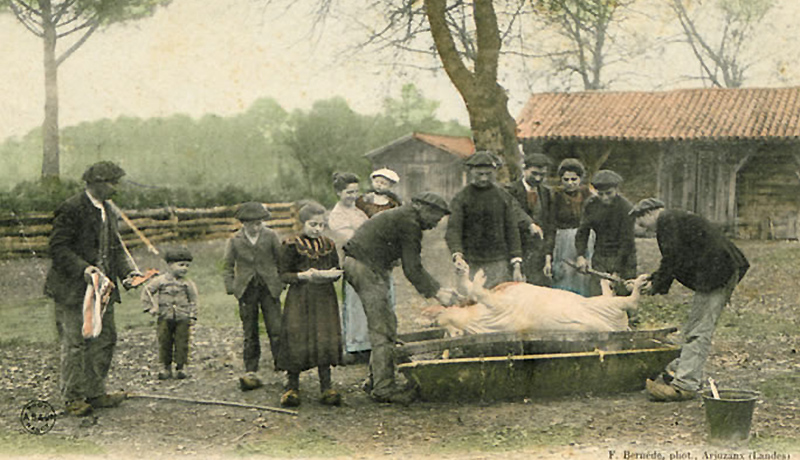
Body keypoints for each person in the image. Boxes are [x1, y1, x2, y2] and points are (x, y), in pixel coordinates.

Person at [44, 161, 140, 416]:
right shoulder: (71, 208)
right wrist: (84, 269)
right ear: (95, 182)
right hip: (73, 289)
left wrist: (129, 273)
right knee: (75, 343)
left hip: (103, 290)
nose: (116, 188)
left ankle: (96, 393)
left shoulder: (108, 209)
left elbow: (115, 248)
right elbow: (58, 248)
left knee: (105, 339)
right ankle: (73, 398)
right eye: (112, 183)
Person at [630, 198, 750, 401]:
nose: (644, 229)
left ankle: (685, 385)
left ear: (649, 213)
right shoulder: (675, 218)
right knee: (696, 326)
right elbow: (679, 258)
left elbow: (672, 258)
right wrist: (654, 279)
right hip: (718, 270)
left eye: (642, 223)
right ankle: (679, 370)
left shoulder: (667, 221)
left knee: (700, 329)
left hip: (717, 273)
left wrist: (656, 285)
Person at [343, 192, 458, 404]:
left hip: (364, 264)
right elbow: (412, 268)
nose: (435, 224)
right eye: (435, 217)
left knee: (386, 324)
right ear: (422, 208)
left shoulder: (404, 216)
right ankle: (383, 388)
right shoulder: (409, 222)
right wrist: (438, 292)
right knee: (383, 328)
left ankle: (375, 380)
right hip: (364, 267)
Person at [276, 202, 344, 407]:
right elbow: (283, 275)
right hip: (300, 298)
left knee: (324, 336)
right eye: (313, 224)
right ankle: (292, 387)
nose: (317, 229)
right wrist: (301, 275)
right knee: (297, 337)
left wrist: (332, 274)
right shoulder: (290, 244)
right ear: (302, 222)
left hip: (324, 298)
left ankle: (327, 387)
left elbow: (336, 269)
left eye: (321, 225)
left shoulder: (329, 245)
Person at [223, 201, 284, 391]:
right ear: (243, 223)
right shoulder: (234, 240)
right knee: (250, 330)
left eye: (259, 223)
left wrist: (281, 282)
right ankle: (251, 369)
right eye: (251, 223)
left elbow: (282, 260)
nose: (256, 227)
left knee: (276, 328)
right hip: (246, 289)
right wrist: (231, 287)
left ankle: (282, 366)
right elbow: (227, 266)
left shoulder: (271, 236)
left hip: (269, 287)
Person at [445, 151, 524, 289]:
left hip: (498, 261)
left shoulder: (504, 197)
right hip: (470, 261)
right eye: (479, 174)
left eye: (488, 174)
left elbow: (512, 229)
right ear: (471, 172)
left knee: (497, 301)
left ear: (494, 172)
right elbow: (453, 229)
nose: (483, 178)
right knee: (471, 303)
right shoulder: (461, 198)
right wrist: (457, 255)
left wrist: (516, 263)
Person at [327, 172, 371, 364]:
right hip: (351, 260)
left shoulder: (359, 212)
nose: (353, 196)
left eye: (355, 191)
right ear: (338, 192)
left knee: (368, 302)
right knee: (354, 304)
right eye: (348, 192)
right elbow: (349, 239)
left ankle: (367, 344)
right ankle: (353, 346)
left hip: (368, 260)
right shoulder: (336, 215)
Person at [574, 170, 637, 298]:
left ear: (616, 189)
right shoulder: (591, 205)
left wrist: (617, 270)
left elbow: (627, 242)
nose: (604, 198)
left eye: (609, 193)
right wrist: (580, 255)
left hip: (624, 256)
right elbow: (583, 231)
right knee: (598, 297)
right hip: (600, 255)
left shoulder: (626, 208)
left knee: (622, 299)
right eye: (600, 194)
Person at [141, 247, 198, 380]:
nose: (185, 268)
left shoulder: (187, 283)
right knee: (165, 341)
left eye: (187, 266)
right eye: (181, 265)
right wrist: (150, 308)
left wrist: (193, 315)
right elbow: (146, 292)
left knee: (182, 342)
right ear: (170, 265)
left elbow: (194, 299)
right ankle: (165, 367)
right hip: (164, 317)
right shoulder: (160, 281)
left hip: (183, 317)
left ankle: (181, 367)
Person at [505, 151, 555, 286]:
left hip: (538, 256)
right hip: (516, 252)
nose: (538, 178)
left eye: (542, 175)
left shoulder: (546, 193)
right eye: (534, 173)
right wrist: (529, 224)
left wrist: (548, 256)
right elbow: (513, 211)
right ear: (524, 169)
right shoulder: (510, 191)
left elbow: (550, 226)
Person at [549, 158, 595, 296]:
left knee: (583, 273)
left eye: (574, 179)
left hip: (586, 238)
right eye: (566, 179)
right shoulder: (556, 197)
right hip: (563, 240)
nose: (570, 183)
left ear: (580, 179)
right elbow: (551, 223)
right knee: (565, 273)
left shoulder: (588, 195)